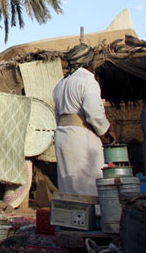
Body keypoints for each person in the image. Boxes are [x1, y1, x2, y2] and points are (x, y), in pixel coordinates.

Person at [52, 43, 115, 197]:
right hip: (81, 137)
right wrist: (106, 131)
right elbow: (94, 112)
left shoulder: (61, 84)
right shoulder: (88, 81)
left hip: (62, 136)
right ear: (88, 62)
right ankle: (92, 219)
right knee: (89, 185)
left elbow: (57, 114)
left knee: (69, 184)